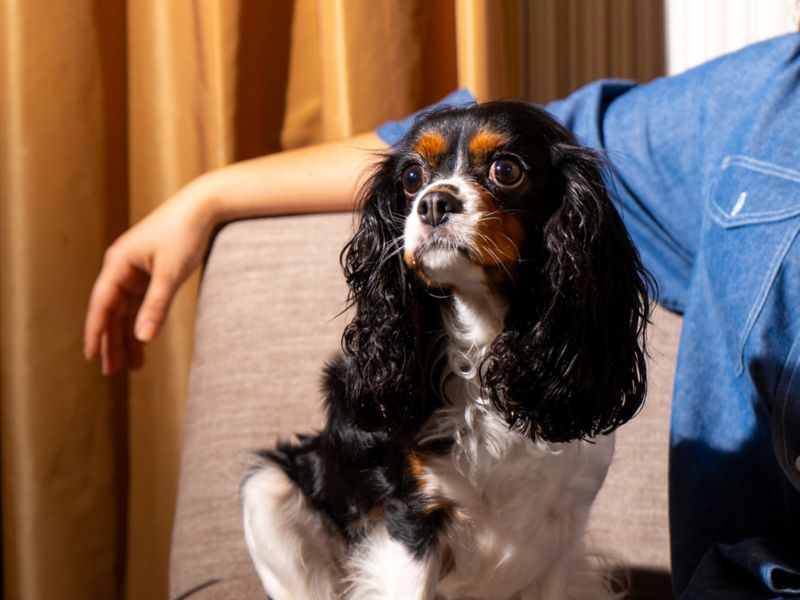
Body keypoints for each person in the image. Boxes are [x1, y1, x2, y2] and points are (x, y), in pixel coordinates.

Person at [85, 33, 800, 598]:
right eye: (416, 181)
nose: (436, 197)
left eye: (502, 173)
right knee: (266, 492)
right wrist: (205, 197)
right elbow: (520, 132)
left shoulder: (582, 382)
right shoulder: (757, 101)